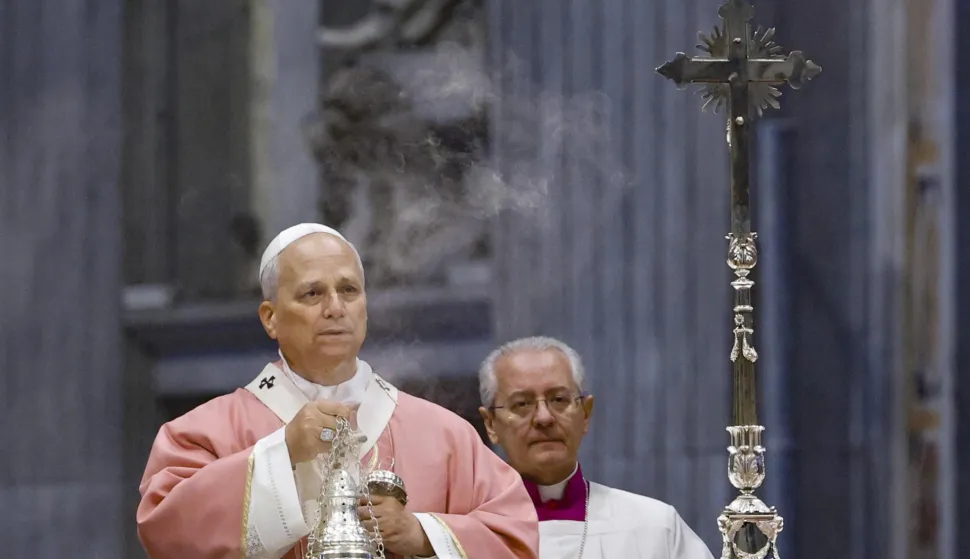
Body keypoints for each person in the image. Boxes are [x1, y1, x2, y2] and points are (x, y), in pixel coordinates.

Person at [137, 223, 539, 559]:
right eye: (312, 293)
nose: (335, 307)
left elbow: (515, 536)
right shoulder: (202, 435)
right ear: (271, 317)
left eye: (349, 290)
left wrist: (423, 534)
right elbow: (166, 531)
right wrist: (283, 452)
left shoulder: (446, 437)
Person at [477, 336, 715, 559]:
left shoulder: (656, 527)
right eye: (521, 404)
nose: (543, 418)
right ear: (490, 424)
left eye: (559, 399)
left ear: (586, 414)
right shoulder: (463, 536)